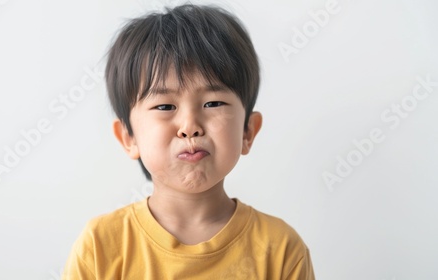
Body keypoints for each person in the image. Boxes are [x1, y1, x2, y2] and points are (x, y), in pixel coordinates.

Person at [63, 4, 315, 279]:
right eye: (164, 107)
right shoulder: (100, 246)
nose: (189, 127)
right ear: (128, 138)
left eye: (213, 103)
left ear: (248, 132)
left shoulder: (280, 250)